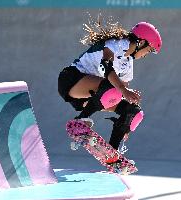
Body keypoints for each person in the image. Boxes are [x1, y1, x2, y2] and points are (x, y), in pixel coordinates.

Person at [58, 16, 162, 154]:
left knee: (133, 112)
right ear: (141, 42)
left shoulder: (128, 63)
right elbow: (106, 66)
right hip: (72, 80)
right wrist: (124, 90)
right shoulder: (116, 44)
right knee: (115, 89)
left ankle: (112, 152)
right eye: (148, 50)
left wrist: (126, 122)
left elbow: (121, 92)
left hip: (91, 94)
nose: (145, 55)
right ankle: (81, 121)